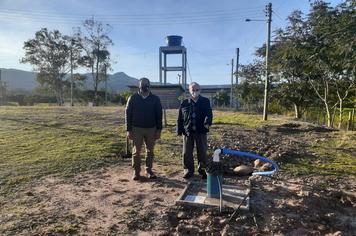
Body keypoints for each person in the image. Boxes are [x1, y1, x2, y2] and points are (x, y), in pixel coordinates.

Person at [125, 78, 163, 181]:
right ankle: (136, 172)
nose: (144, 86)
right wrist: (128, 130)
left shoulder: (155, 99)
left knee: (150, 150)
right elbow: (128, 114)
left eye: (146, 84)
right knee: (136, 151)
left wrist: (159, 130)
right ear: (139, 86)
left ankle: (149, 170)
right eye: (142, 84)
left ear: (149, 85)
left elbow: (159, 115)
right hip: (136, 129)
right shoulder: (132, 98)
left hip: (151, 129)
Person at [177, 82, 213, 179]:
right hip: (187, 131)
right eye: (193, 90)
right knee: (186, 152)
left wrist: (207, 121)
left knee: (202, 151)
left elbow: (209, 113)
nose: (195, 91)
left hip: (201, 131)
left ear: (200, 90)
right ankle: (188, 170)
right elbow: (180, 118)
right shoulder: (184, 103)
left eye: (197, 89)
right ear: (189, 90)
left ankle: (203, 170)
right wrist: (179, 130)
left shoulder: (205, 101)